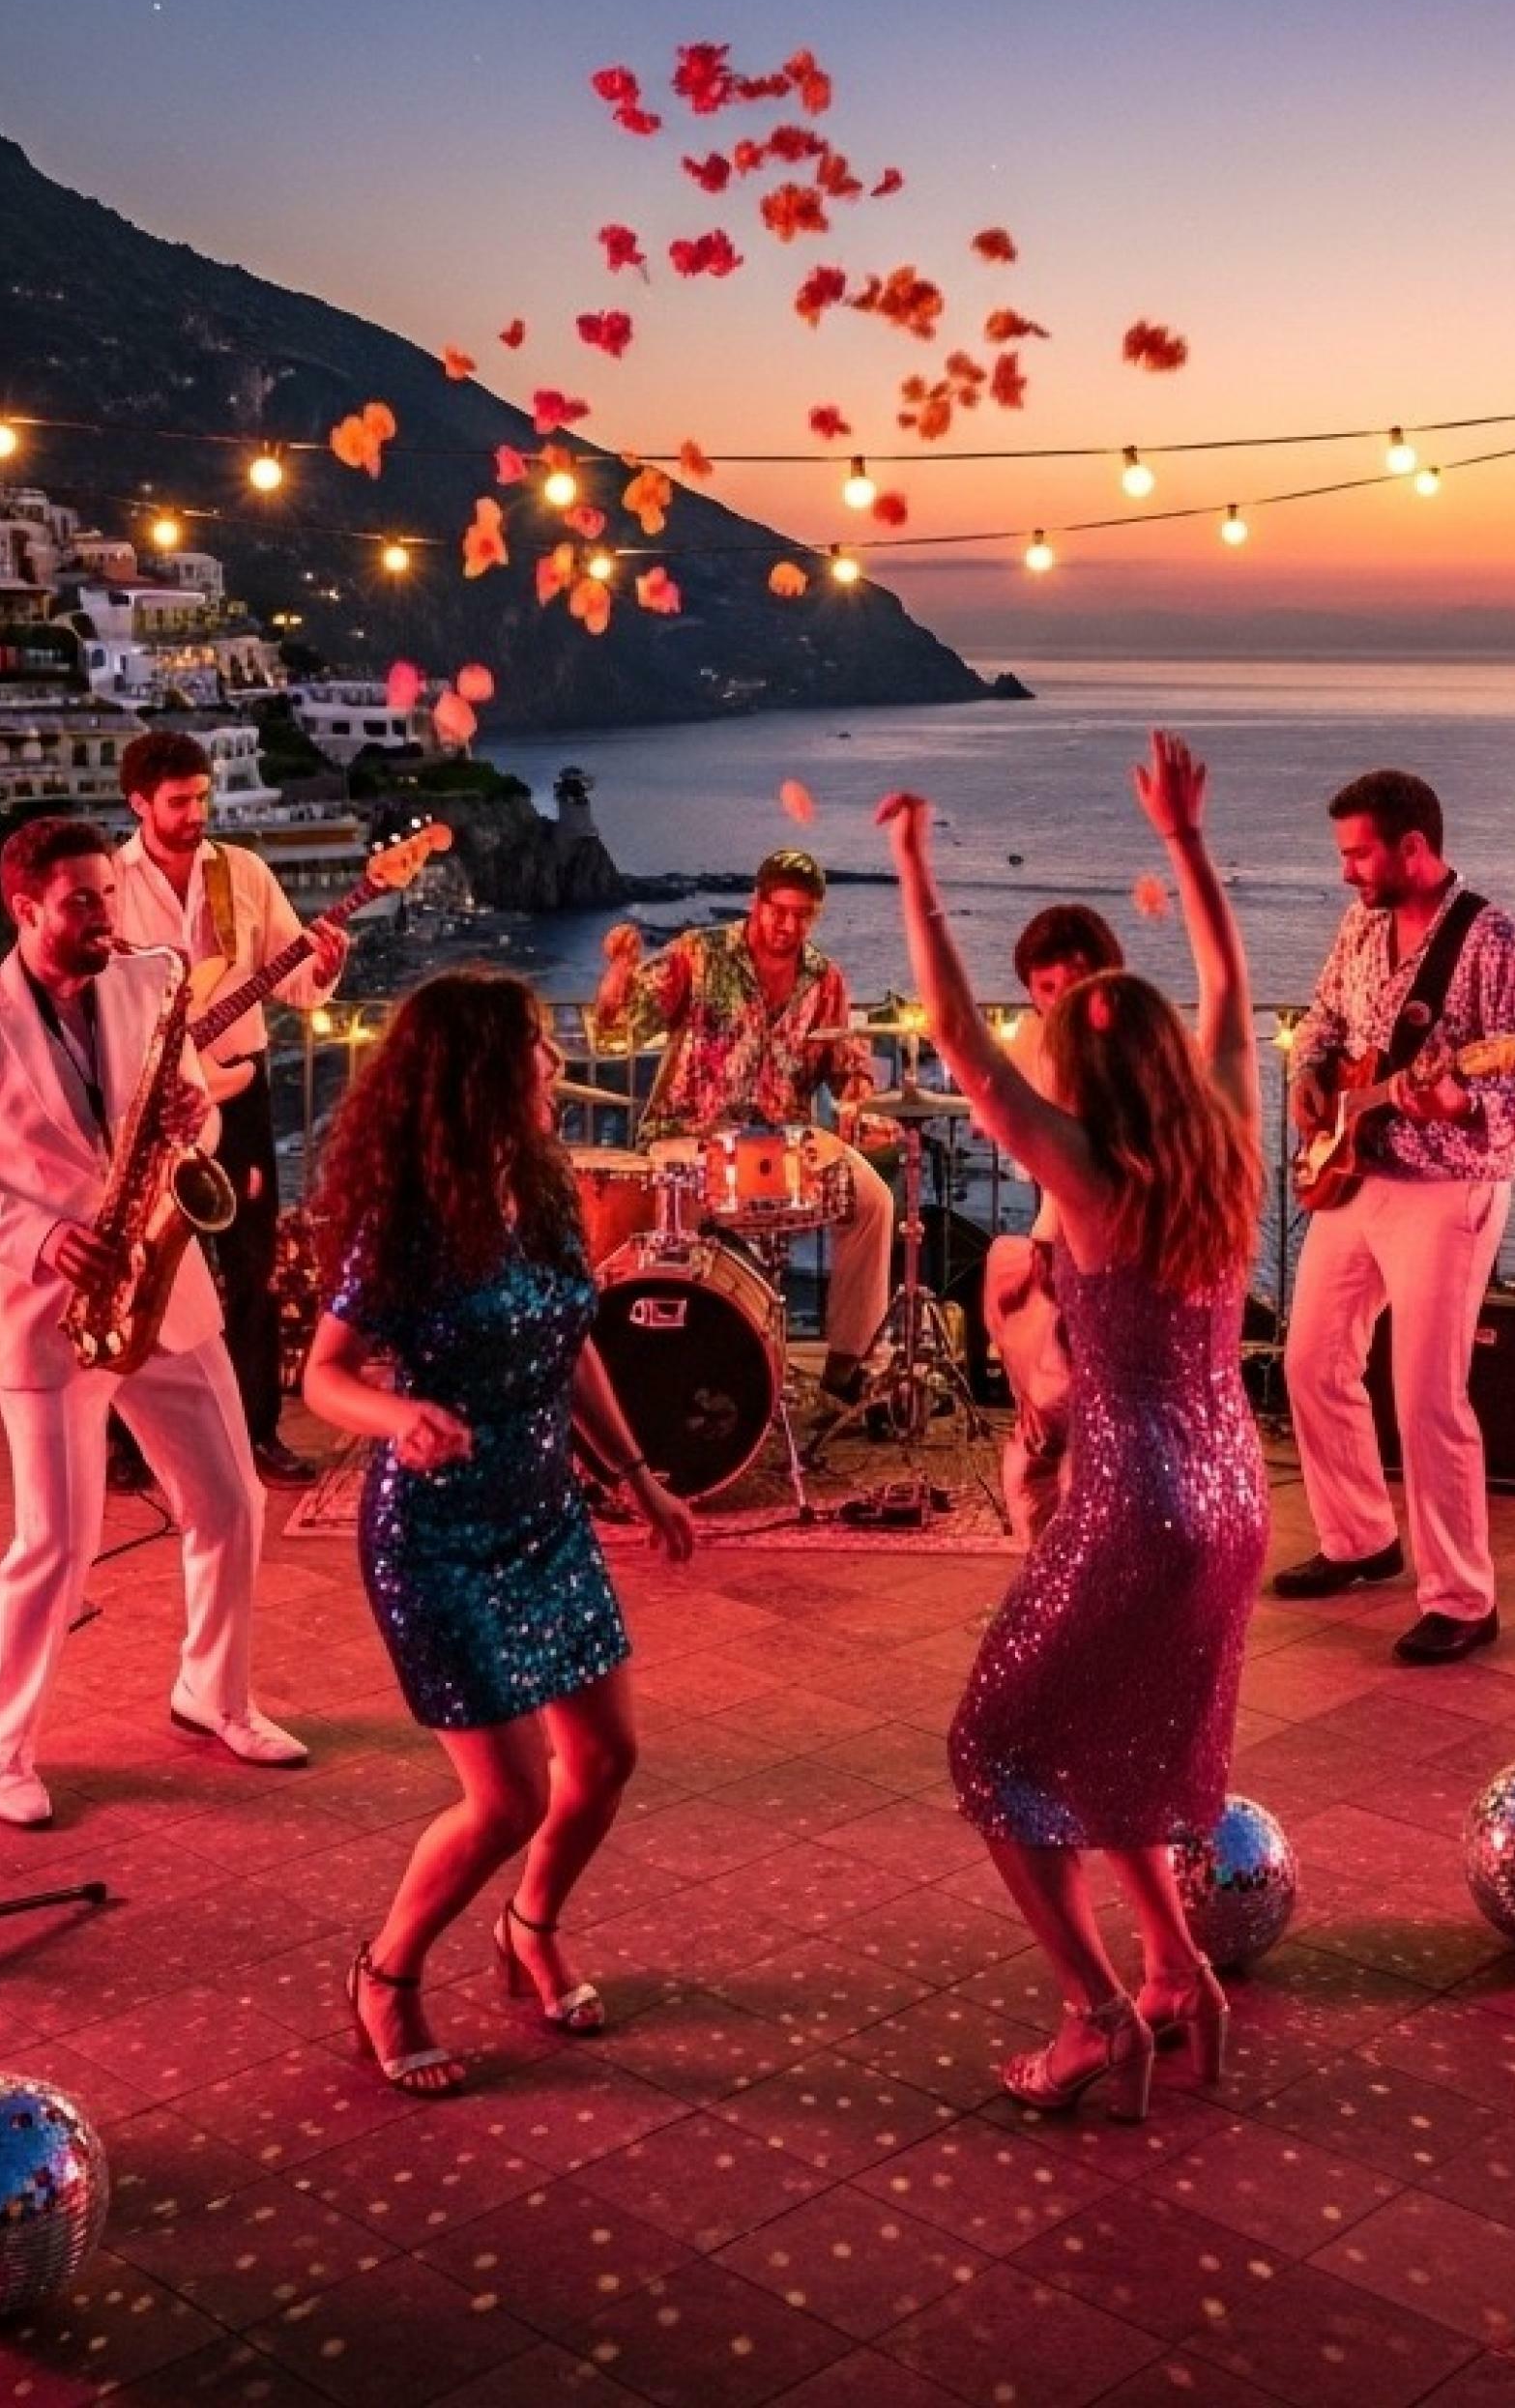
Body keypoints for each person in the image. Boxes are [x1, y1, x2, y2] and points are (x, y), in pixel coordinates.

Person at [879, 735, 1269, 2126]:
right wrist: (1185, 839)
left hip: (1137, 1500)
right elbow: (1229, 989)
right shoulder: (1228, 1145)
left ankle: (1094, 2014)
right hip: (1234, 1494)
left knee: (994, 1748)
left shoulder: (1093, 1180)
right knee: (1113, 1743)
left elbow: (960, 1043)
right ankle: (1175, 1974)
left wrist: (914, 868)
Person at [302, 971, 696, 2094]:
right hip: (434, 1538)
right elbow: (325, 1376)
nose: (552, 1064)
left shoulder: (545, 1182)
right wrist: (401, 1416)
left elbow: (574, 1342)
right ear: (479, 1071)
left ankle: (530, 1926)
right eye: (533, 1046)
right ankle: (386, 1972)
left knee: (605, 1761)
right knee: (509, 1796)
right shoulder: (408, 1223)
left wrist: (637, 1479)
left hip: (545, 1518)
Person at [0, 815, 303, 1832]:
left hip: (161, 1278)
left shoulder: (147, 982)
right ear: (25, 908)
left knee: (231, 1500)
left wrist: (195, 1119)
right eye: (82, 901)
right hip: (51, 1305)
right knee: (56, 1545)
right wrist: (41, 1239)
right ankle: (1, 1745)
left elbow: (195, 1107)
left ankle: (214, 1690)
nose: (105, 916)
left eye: (108, 896)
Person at [1274, 768, 1515, 1665]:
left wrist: (1461, 1102)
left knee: (1430, 1397)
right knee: (1311, 1362)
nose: (1346, 871)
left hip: (1447, 1189)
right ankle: (1360, 1536)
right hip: (1355, 1175)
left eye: (1359, 854)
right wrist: (1309, 1076)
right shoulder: (1358, 926)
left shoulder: (1495, 942)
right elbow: (1324, 1018)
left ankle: (1464, 1598)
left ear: (1412, 846)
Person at [113, 728, 347, 1489]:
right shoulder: (112, 883)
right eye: (179, 802)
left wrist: (324, 967)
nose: (196, 814)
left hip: (239, 1090)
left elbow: (294, 982)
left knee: (254, 1264)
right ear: (140, 803)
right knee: (141, 1262)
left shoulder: (242, 873)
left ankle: (258, 1430)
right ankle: (129, 1439)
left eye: (202, 799)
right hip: (152, 1101)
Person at [589, 848, 891, 1405]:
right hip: (689, 1137)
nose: (788, 926)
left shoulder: (825, 980)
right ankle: (669, 1375)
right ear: (757, 903)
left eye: (802, 915)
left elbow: (845, 1066)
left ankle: (846, 1369)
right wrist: (618, 977)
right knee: (670, 1225)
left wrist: (857, 1098)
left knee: (874, 1202)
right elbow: (619, 1031)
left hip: (783, 1147)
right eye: (779, 911)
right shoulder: (698, 954)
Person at [981, 902, 1126, 1548]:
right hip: (1065, 1230)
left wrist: (1047, 1248)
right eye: (1046, 989)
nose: (1061, 1000)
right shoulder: (1034, 1042)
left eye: (1076, 983)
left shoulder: (1129, 1053)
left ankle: (1071, 1545)